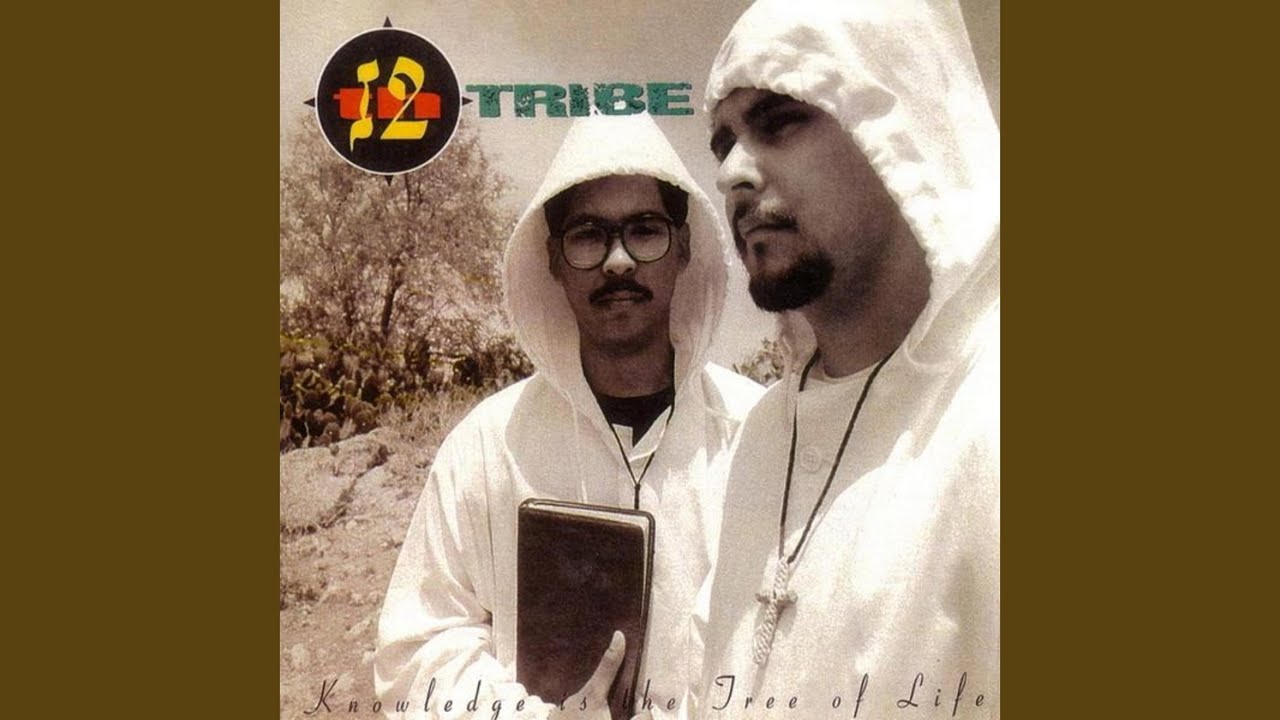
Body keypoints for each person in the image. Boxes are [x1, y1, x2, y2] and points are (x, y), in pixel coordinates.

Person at [375, 111, 764, 720]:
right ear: (553, 260)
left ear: (685, 248)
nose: (618, 261)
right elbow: (417, 651)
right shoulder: (489, 443)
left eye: (645, 231)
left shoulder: (757, 433)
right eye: (588, 235)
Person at [690, 0, 1000, 717]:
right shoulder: (762, 434)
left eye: (779, 121)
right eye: (723, 143)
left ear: (903, 131)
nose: (732, 172)